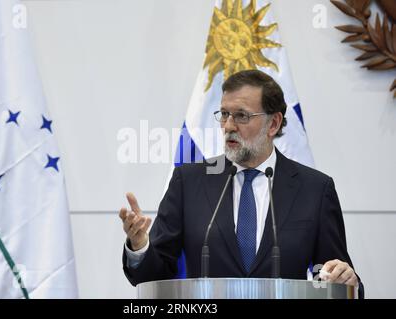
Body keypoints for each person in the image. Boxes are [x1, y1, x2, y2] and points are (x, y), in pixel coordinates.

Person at [119, 70, 363, 298]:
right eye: (224, 114)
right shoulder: (189, 182)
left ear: (274, 124)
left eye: (241, 116)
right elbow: (155, 276)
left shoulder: (315, 189)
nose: (228, 126)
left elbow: (329, 271)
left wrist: (344, 279)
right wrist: (140, 245)